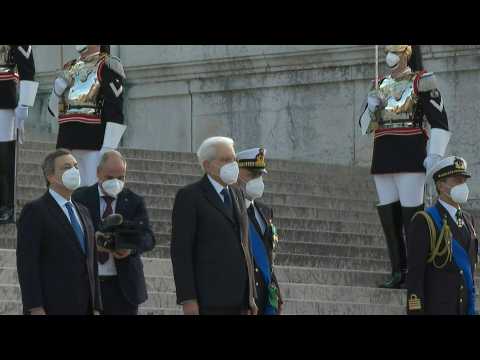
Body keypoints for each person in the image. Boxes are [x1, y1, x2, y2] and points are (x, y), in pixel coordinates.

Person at [358, 45, 451, 289]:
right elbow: (363, 127)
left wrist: (434, 155)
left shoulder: (422, 81)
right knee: (389, 219)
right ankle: (397, 270)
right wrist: (371, 107)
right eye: (388, 50)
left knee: (412, 218)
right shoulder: (378, 84)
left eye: (395, 51)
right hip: (383, 156)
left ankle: (416, 271)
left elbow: (440, 122)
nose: (389, 55)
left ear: (407, 52)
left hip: (410, 154)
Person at [170, 136, 257, 315]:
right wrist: (188, 299)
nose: (232, 164)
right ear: (208, 165)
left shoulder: (238, 194)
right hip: (208, 299)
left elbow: (246, 246)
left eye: (233, 159)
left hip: (239, 300)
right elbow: (181, 251)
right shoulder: (190, 196)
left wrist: (250, 297)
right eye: (225, 160)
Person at [16, 149, 101, 315]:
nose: (74, 171)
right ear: (50, 176)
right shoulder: (35, 211)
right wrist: (35, 307)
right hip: (52, 306)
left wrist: (96, 305)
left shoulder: (83, 211)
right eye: (67, 167)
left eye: (76, 166)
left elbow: (91, 261)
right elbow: (27, 264)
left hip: (84, 306)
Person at [73, 150, 155, 315]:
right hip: (86, 283)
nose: (116, 182)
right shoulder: (80, 196)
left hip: (123, 287)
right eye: (110, 178)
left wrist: (129, 248)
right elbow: (68, 232)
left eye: (121, 178)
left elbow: (148, 238)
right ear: (98, 173)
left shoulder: (134, 201)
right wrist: (91, 241)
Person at [406, 156, 477, 315]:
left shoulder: (468, 220)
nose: (462, 185)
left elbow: (469, 271)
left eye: (463, 180)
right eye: (456, 180)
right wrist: (415, 309)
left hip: (465, 308)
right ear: (441, 185)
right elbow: (415, 274)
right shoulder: (425, 220)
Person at [48, 45, 126, 186]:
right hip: (66, 142)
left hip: (93, 143)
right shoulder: (69, 67)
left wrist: (108, 148)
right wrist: (56, 92)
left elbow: (115, 110)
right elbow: (54, 111)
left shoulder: (107, 65)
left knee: (91, 193)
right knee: (63, 192)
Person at [236, 147, 283, 315]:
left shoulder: (265, 211)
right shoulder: (230, 211)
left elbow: (268, 257)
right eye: (252, 175)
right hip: (244, 300)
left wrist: (276, 291)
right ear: (237, 175)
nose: (257, 180)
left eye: (260, 175)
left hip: (266, 300)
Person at [0, 45, 38, 224]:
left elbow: (27, 68)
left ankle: (6, 204)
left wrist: (25, 102)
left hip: (3, 96)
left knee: (3, 155)